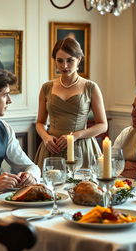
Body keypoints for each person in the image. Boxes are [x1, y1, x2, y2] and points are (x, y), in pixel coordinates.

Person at [34, 37, 108, 170]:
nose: (64, 66)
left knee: (83, 190)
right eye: (59, 61)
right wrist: (46, 138)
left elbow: (103, 125)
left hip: (81, 149)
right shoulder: (46, 87)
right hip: (52, 148)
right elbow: (40, 122)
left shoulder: (91, 87)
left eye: (70, 60)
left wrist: (76, 135)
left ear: (79, 60)